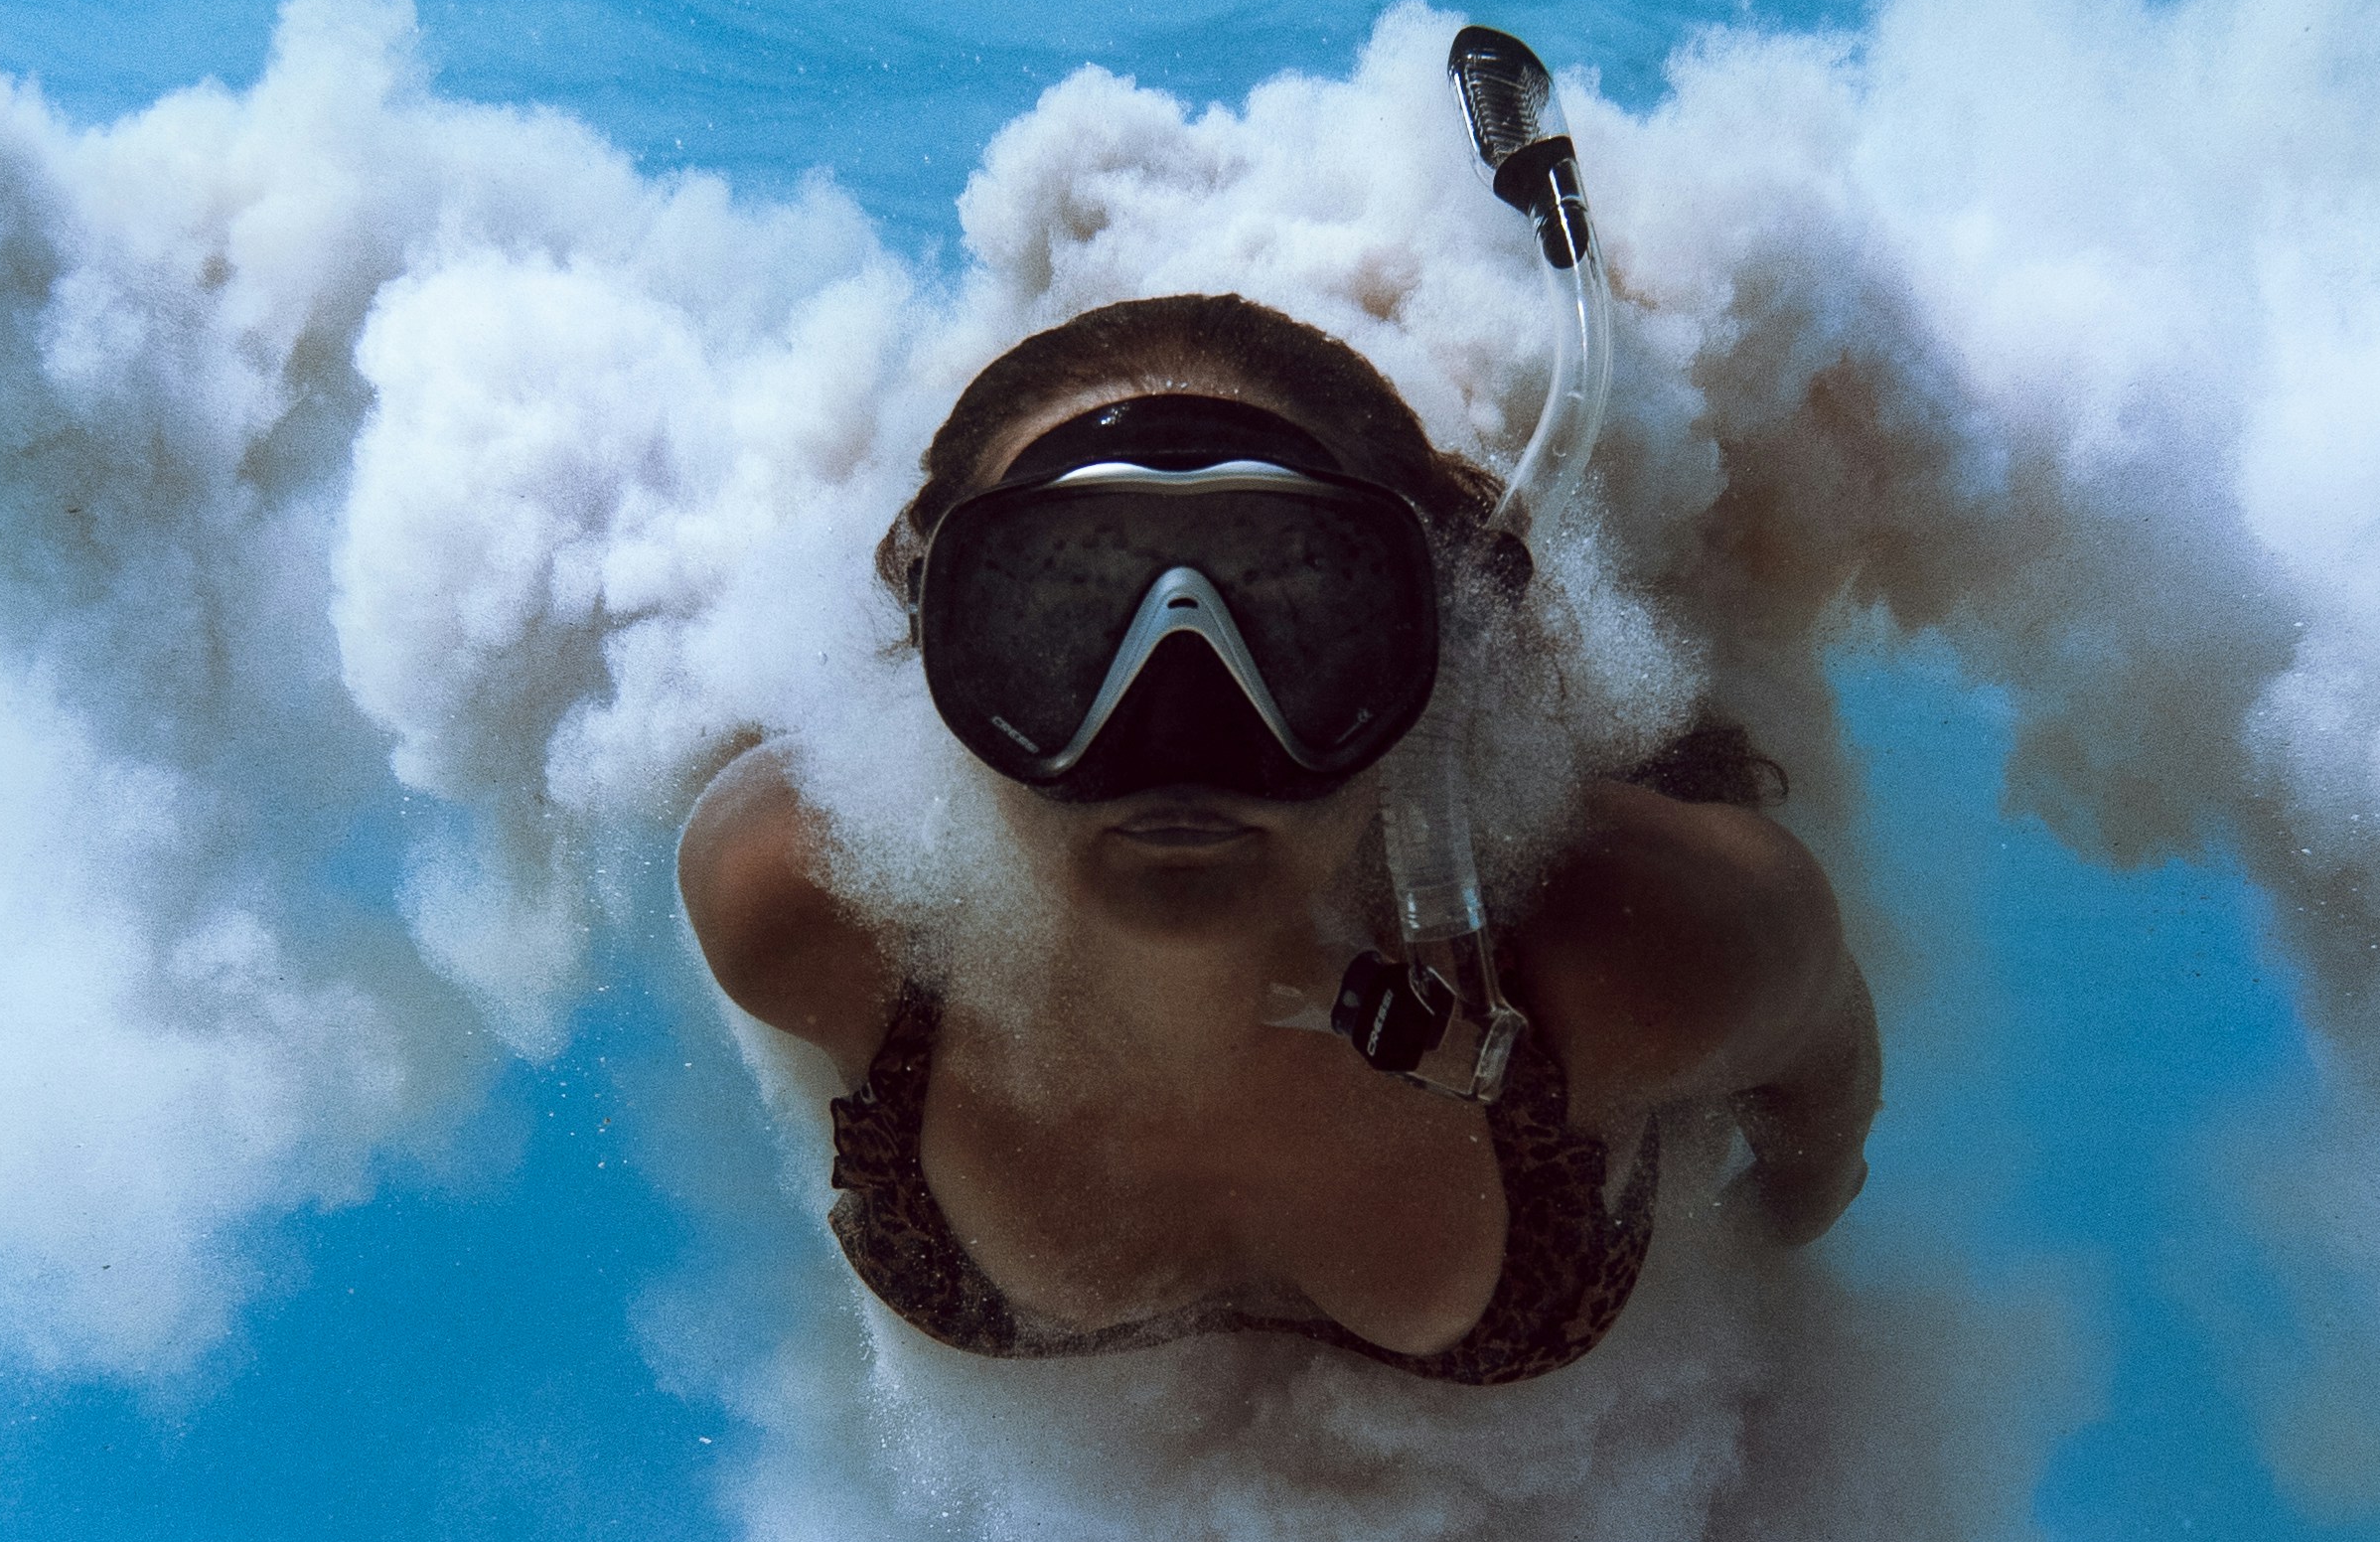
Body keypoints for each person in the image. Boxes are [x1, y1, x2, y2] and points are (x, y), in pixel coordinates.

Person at [678, 289, 1879, 1388]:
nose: (1179, 733)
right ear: (937, 644)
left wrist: (1777, 1278)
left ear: (1433, 645)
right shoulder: (789, 895)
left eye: (1297, 619)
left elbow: (1814, 1150)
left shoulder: (1664, 941)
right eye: (1061, 621)